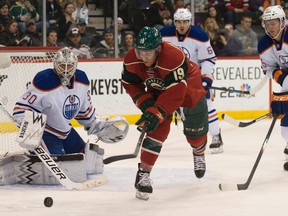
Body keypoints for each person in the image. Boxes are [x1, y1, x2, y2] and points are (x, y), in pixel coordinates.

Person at [10, 47, 128, 185]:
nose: (65, 70)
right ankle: (32, 158)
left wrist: (96, 126)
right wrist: (29, 130)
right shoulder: (45, 80)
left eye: (69, 65)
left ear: (75, 65)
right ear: (55, 65)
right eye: (62, 65)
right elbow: (21, 109)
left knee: (85, 158)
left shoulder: (82, 80)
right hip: (45, 131)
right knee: (59, 163)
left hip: (64, 130)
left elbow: (85, 113)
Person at [122, 26, 208, 200]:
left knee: (195, 133)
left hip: (188, 86)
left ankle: (198, 152)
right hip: (158, 89)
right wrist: (147, 105)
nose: (143, 57)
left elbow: (176, 94)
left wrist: (157, 112)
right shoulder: (132, 59)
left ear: (158, 48)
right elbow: (130, 84)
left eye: (148, 53)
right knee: (156, 130)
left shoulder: (173, 57)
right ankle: (143, 174)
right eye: (140, 52)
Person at [160, 8, 223, 154]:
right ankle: (157, 139)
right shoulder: (163, 34)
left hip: (194, 77)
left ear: (190, 22)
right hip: (173, 78)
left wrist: (205, 78)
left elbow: (208, 59)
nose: (182, 25)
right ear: (174, 22)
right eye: (179, 22)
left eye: (185, 22)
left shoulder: (199, 35)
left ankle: (216, 136)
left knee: (206, 103)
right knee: (175, 107)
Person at [258, 5, 288, 165]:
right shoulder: (264, 44)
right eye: (267, 23)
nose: (270, 27)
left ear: (282, 22)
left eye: (273, 23)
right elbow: (268, 69)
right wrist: (281, 78)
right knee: (285, 130)